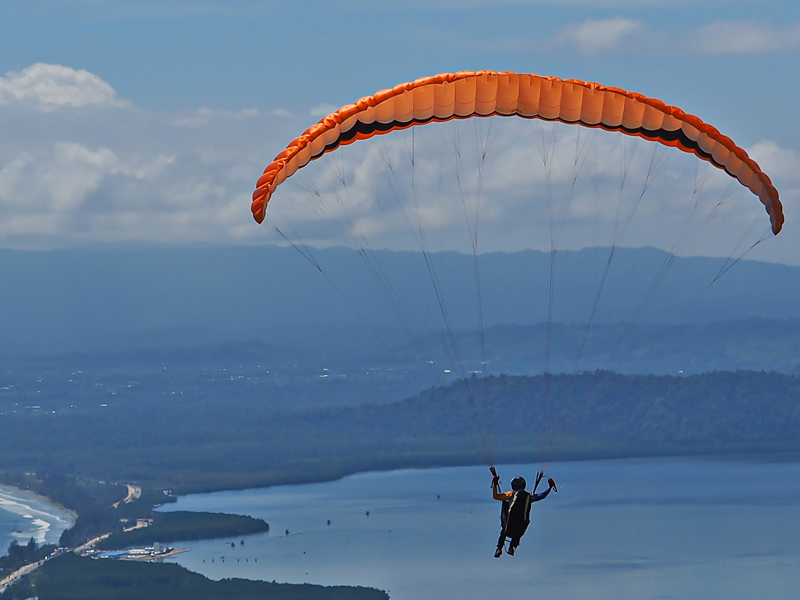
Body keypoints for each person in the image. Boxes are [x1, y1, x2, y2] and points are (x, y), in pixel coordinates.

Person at [491, 469, 556, 558]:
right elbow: (542, 495)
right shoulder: (529, 497)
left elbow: (495, 496)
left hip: (508, 527)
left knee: (504, 531)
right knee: (518, 532)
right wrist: (550, 487)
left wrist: (495, 483)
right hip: (520, 529)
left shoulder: (510, 494)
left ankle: (499, 548)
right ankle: (512, 547)